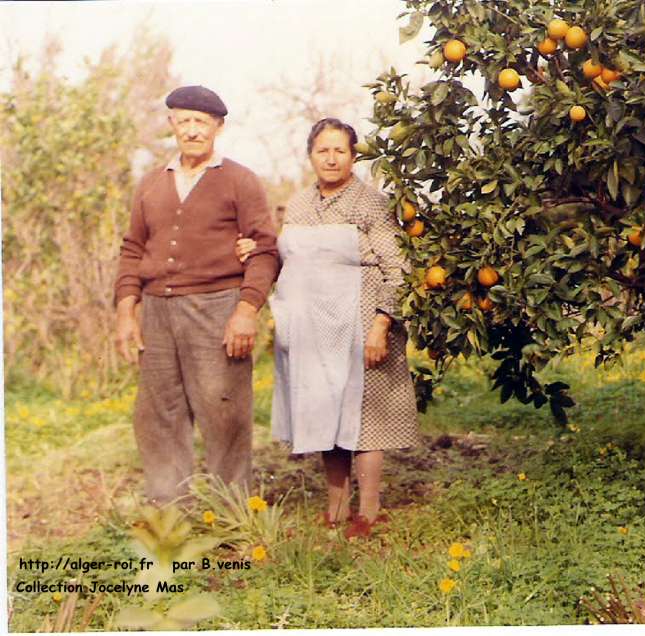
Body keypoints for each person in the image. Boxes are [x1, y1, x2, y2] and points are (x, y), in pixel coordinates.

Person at [237, 118, 419, 538]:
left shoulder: (372, 204)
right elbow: (287, 261)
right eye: (323, 150)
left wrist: (381, 324)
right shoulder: (298, 206)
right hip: (315, 330)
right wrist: (255, 249)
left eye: (340, 150)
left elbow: (399, 269)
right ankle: (335, 509)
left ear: (354, 156)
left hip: (363, 322)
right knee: (325, 412)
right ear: (311, 155)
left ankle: (369, 513)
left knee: (365, 417)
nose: (332, 158)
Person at [114, 85, 280, 504]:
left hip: (216, 307)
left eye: (201, 122)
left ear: (218, 127)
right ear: (172, 124)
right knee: (159, 414)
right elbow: (133, 248)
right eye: (184, 120)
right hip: (156, 311)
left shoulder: (240, 180)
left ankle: (230, 513)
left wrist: (246, 310)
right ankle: (168, 512)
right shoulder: (152, 183)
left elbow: (264, 248)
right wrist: (125, 311)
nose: (191, 130)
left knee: (223, 413)